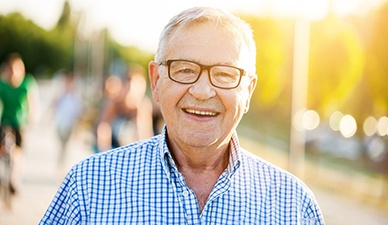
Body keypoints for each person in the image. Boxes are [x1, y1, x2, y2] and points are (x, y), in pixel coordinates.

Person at [40, 7, 325, 224]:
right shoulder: (89, 187)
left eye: (225, 74)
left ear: (248, 91)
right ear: (155, 81)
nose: (202, 91)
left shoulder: (294, 207)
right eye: (185, 69)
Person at [0, 53, 40, 193]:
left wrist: (32, 118)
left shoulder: (26, 83)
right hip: (4, 120)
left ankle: (14, 178)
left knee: (18, 151)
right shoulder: (2, 85)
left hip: (19, 122)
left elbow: (32, 102)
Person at [95, 63, 154, 152]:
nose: (133, 92)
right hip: (113, 147)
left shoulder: (143, 106)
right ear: (125, 86)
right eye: (131, 87)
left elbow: (145, 134)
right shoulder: (115, 103)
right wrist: (105, 151)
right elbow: (103, 128)